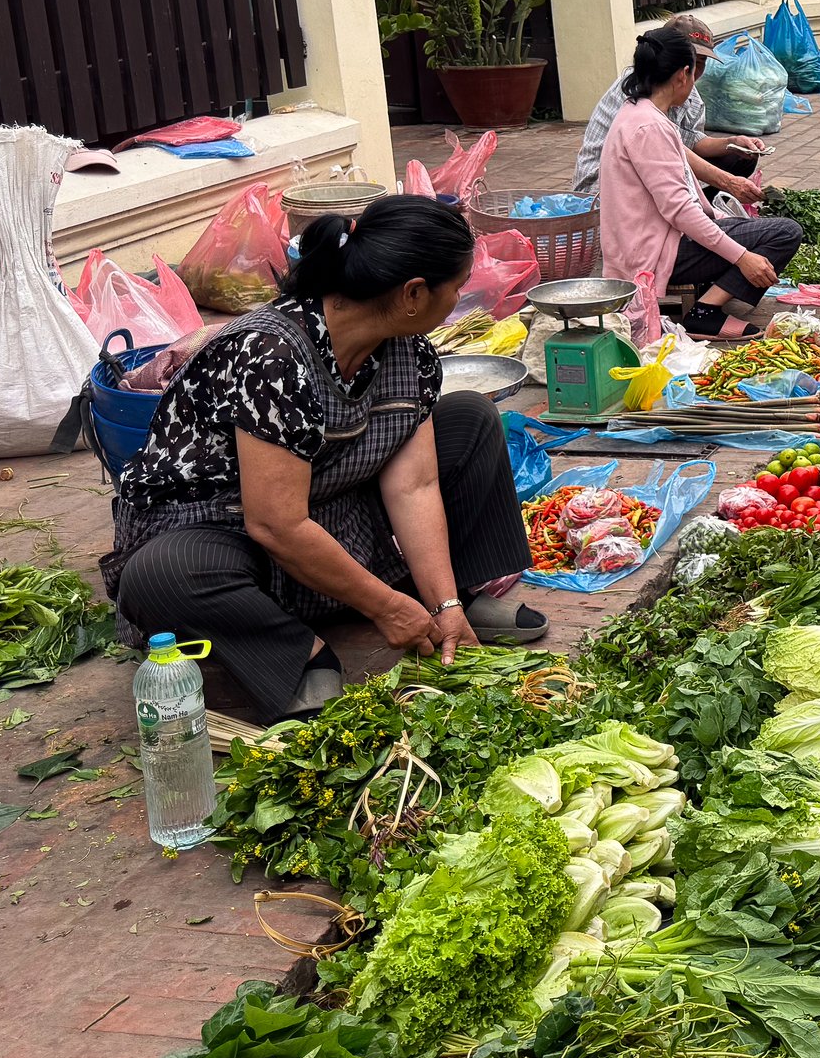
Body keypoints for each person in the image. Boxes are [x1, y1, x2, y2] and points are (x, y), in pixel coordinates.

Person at [107, 196, 543, 721]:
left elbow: (415, 487)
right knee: (160, 575)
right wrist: (386, 608)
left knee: (470, 418)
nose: (457, 300)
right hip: (222, 522)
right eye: (456, 287)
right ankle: (301, 654)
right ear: (412, 293)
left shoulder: (408, 352)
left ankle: (448, 604)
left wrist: (442, 602)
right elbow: (276, 523)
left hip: (330, 499)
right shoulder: (272, 355)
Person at [599, 27, 806, 340]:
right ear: (683, 74)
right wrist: (742, 257)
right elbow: (680, 210)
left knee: (746, 227)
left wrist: (727, 221)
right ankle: (704, 313)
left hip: (650, 243)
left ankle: (709, 298)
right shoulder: (648, 127)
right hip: (651, 255)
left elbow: (685, 194)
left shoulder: (639, 112)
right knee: (785, 233)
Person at [571, 9, 761, 200]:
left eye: (701, 62)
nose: (694, 71)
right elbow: (670, 149)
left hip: (651, 172)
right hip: (606, 188)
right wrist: (728, 182)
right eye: (691, 61)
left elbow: (690, 140)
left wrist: (732, 143)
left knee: (738, 158)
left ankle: (707, 208)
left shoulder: (686, 91)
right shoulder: (638, 90)